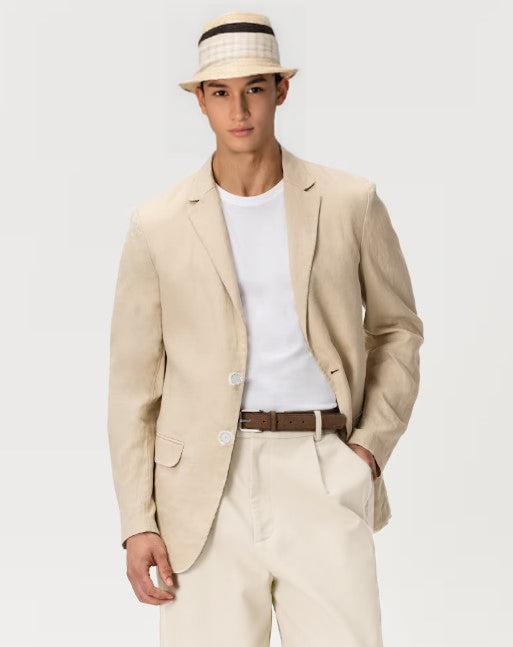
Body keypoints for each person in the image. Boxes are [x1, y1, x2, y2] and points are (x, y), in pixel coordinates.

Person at [107, 11, 424, 646]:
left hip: (323, 465)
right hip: (203, 489)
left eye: (254, 87)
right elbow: (133, 386)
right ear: (200, 101)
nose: (240, 109)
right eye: (221, 92)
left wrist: (366, 451)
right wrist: (138, 519)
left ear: (281, 90)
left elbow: (397, 330)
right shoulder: (158, 225)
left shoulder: (350, 202)